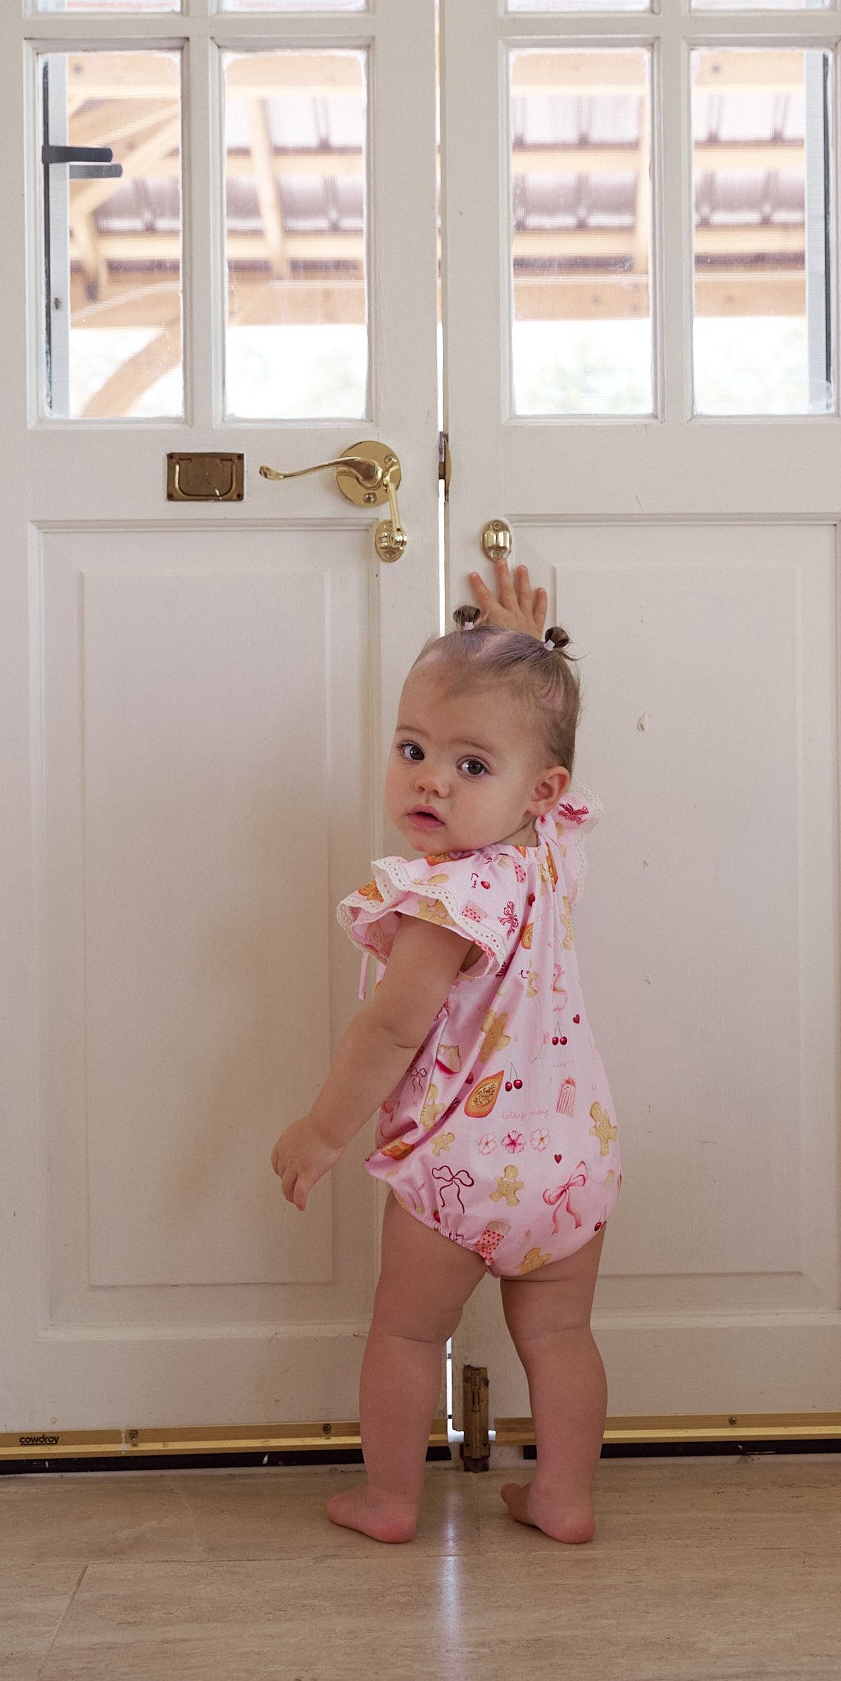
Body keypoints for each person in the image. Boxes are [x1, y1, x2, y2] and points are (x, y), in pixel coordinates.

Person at [271, 562, 621, 1545]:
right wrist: (527, 662)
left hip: (459, 1176)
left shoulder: (448, 899)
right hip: (570, 1167)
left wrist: (322, 1128)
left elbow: (390, 1029)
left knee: (406, 1333)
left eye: (471, 765)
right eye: (412, 748)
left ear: (529, 788)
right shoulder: (549, 850)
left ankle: (388, 1501)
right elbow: (550, 766)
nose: (430, 777)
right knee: (559, 1335)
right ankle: (561, 1497)